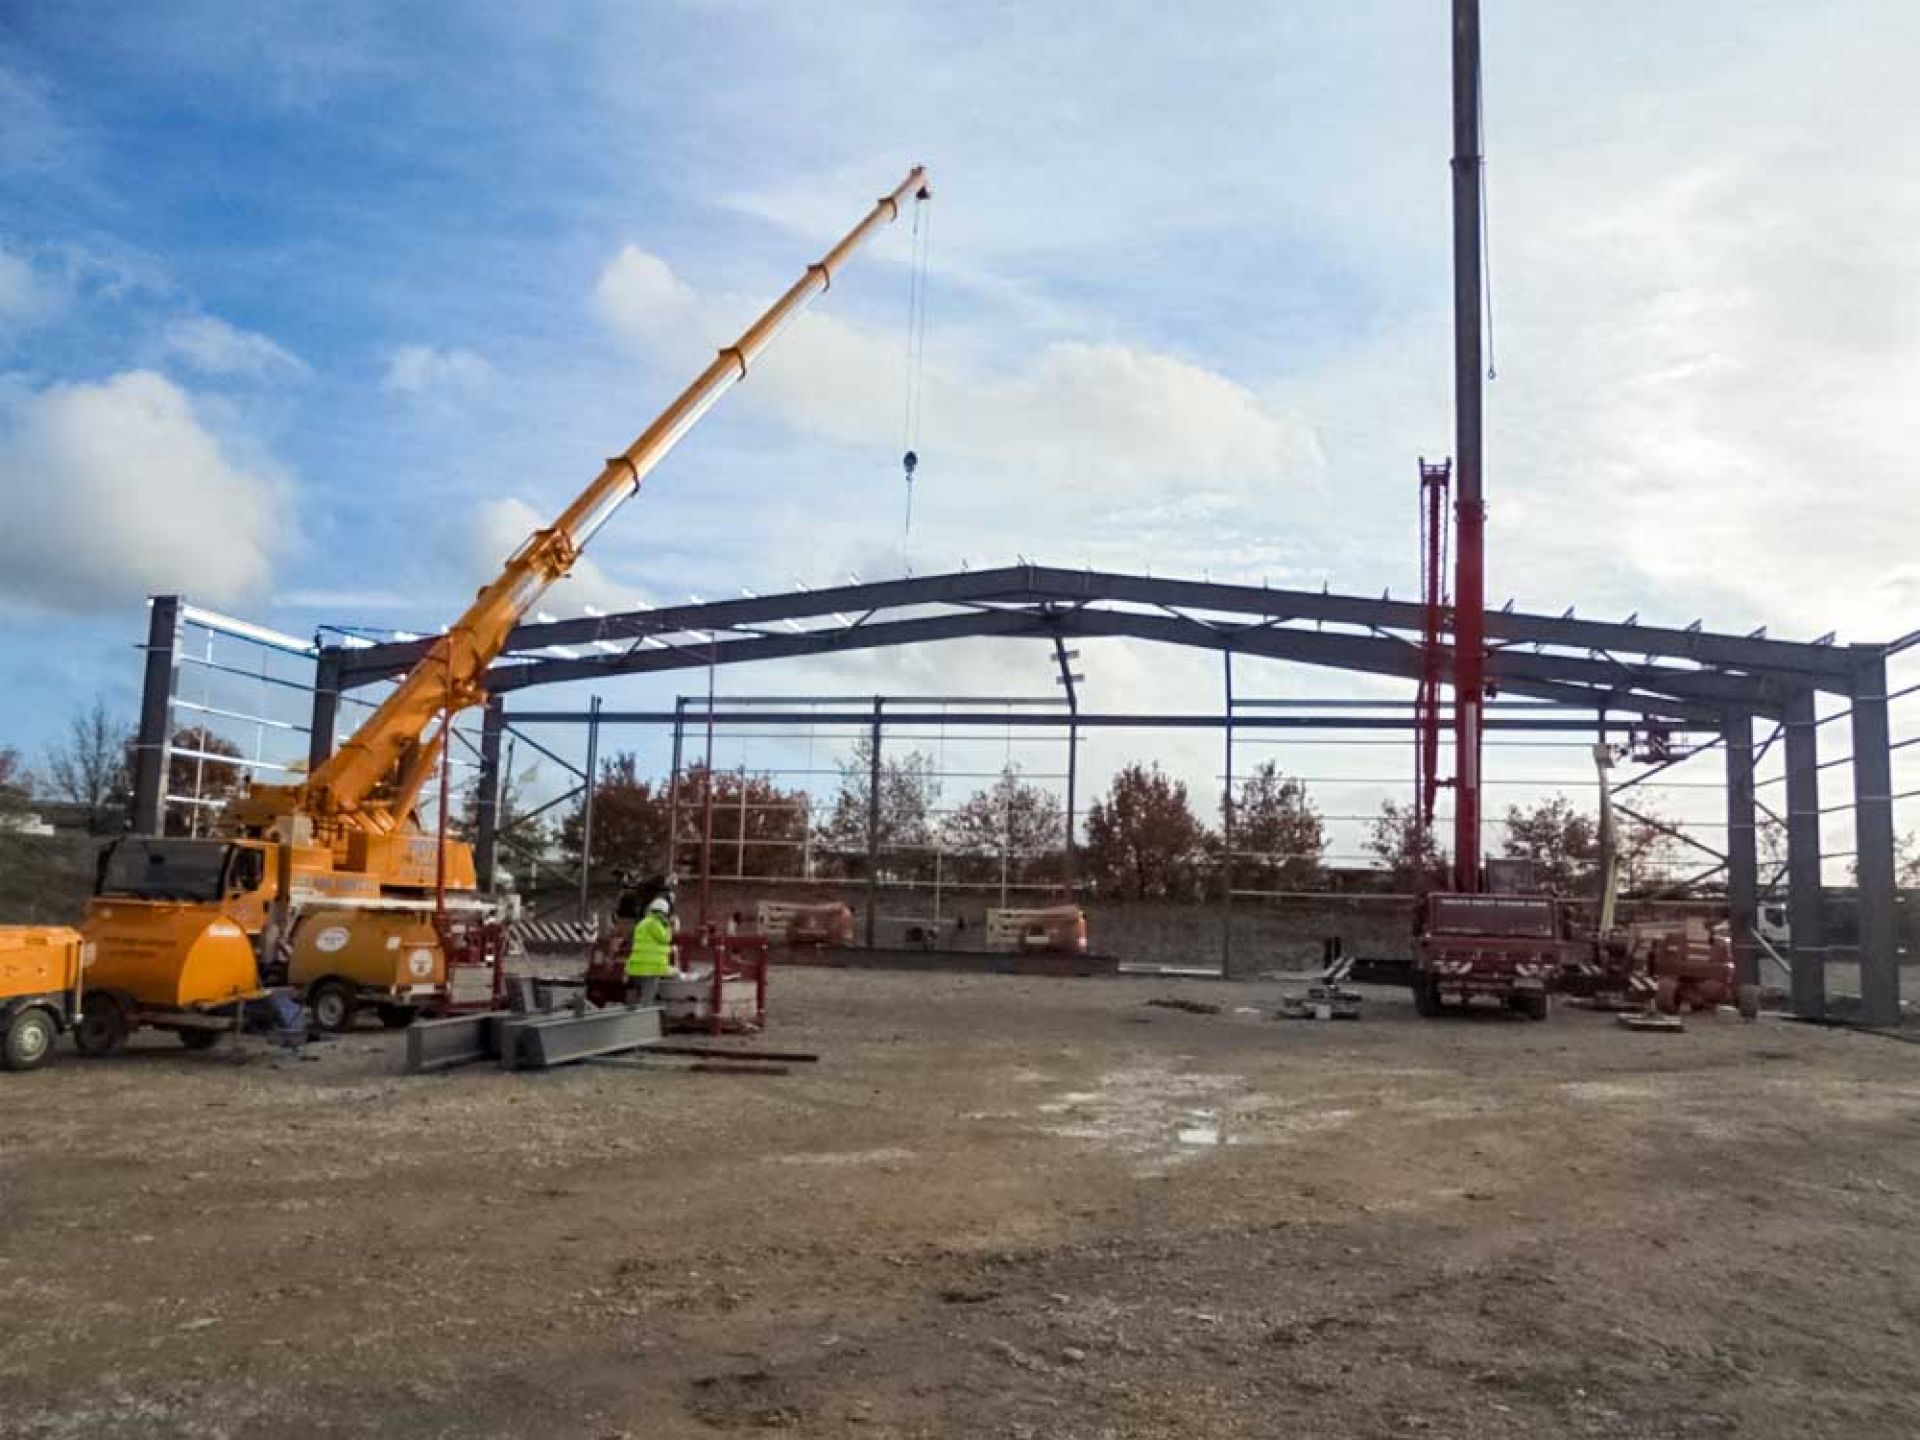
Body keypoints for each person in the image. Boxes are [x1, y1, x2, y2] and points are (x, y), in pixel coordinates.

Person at [625, 895, 675, 1005]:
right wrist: (669, 926)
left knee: (640, 996)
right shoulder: (655, 923)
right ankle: (642, 1019)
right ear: (663, 912)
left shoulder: (643, 922)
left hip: (639, 965)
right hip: (651, 967)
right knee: (647, 998)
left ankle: (635, 1015)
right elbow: (665, 938)